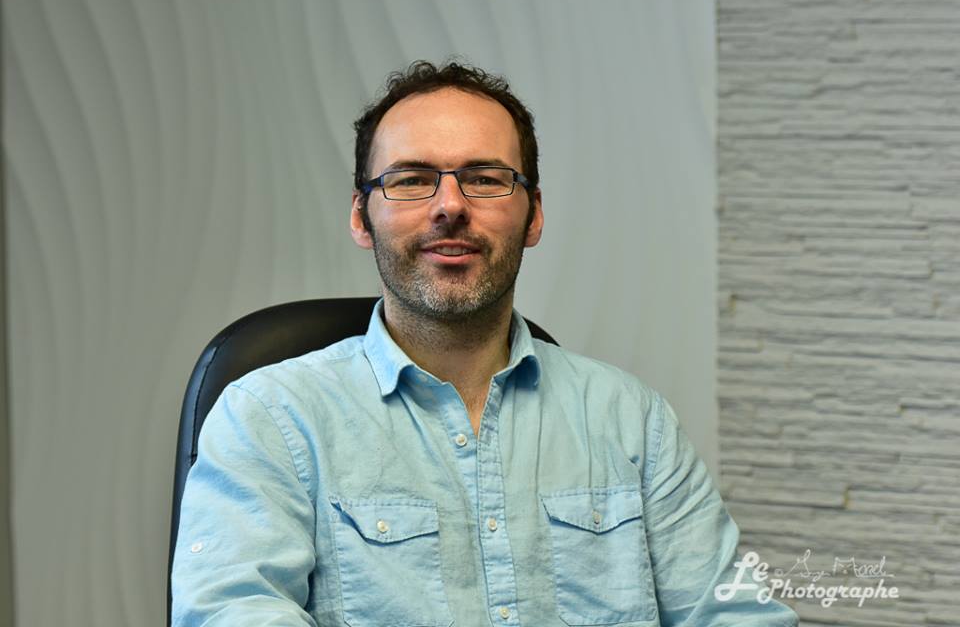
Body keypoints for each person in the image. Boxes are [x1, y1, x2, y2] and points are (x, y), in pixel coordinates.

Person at [171, 60, 798, 627]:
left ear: (534, 214)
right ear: (362, 216)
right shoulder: (270, 420)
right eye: (411, 179)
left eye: (485, 178)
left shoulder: (633, 422)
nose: (450, 206)